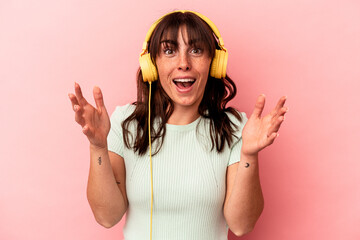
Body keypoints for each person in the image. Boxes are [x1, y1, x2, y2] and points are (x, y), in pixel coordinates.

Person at [68, 10, 288, 240]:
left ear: (214, 63)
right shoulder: (126, 123)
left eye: (196, 50)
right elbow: (107, 217)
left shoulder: (233, 128)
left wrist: (249, 155)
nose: (184, 63)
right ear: (152, 65)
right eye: (169, 51)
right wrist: (98, 147)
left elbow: (242, 225)